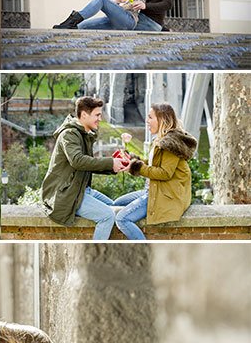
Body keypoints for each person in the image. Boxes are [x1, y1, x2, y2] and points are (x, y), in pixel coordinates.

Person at [41, 96, 131, 240]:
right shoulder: (69, 135)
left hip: (80, 189)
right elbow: (78, 161)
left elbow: (87, 164)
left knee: (113, 204)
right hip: (66, 194)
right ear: (84, 115)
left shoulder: (83, 134)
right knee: (107, 216)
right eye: (97, 115)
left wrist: (114, 166)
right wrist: (110, 162)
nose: (100, 119)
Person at [114, 104, 197, 240]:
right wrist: (132, 160)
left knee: (122, 219)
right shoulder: (159, 140)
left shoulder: (170, 144)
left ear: (162, 120)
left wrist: (138, 167)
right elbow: (153, 164)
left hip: (163, 194)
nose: (147, 120)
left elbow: (164, 173)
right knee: (116, 203)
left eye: (150, 117)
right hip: (153, 190)